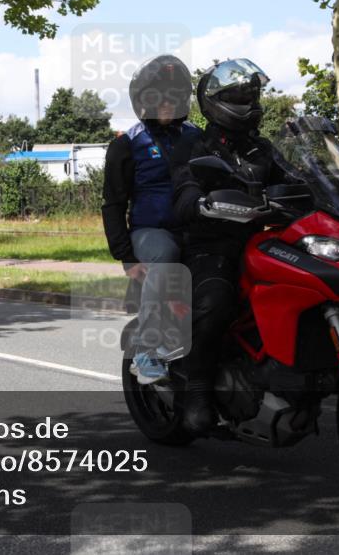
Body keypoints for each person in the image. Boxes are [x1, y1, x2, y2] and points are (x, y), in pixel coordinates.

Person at [169, 58, 297, 433]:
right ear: (216, 102)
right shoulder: (194, 146)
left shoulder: (262, 148)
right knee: (215, 302)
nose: (250, 100)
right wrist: (199, 203)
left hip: (264, 242)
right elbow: (183, 190)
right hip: (213, 246)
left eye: (253, 93)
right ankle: (196, 393)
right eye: (240, 95)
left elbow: (295, 179)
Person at [102, 54, 202, 384]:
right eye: (158, 94)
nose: (167, 101)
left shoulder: (196, 137)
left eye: (175, 94)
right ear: (143, 99)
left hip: (195, 228)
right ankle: (146, 349)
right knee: (165, 256)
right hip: (151, 232)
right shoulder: (126, 144)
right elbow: (113, 204)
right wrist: (126, 258)